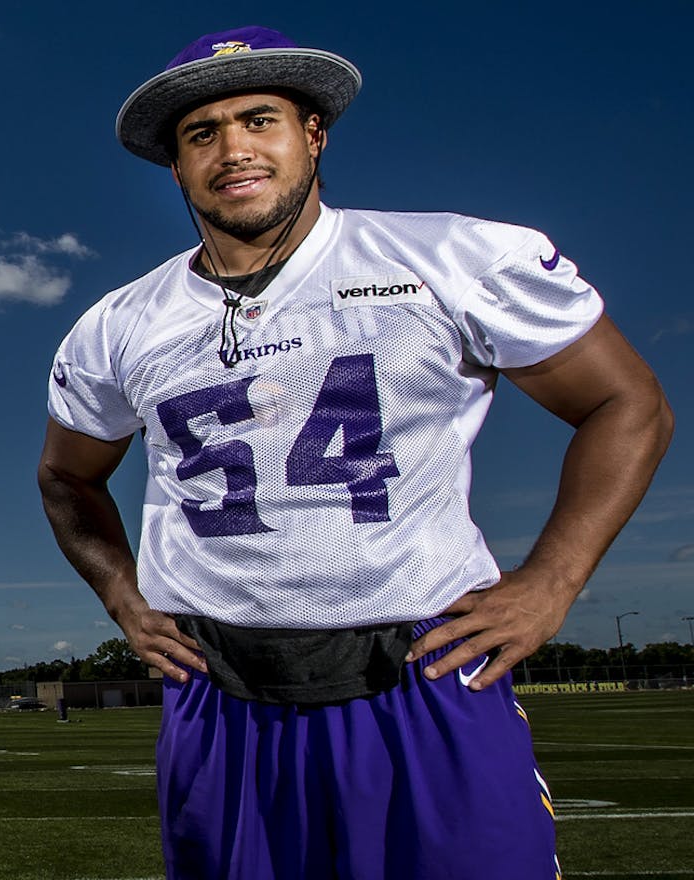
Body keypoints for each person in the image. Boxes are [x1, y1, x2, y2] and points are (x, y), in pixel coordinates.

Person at [38, 26, 673, 879]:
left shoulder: (450, 258)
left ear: (313, 133)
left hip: (424, 670)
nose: (233, 150)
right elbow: (67, 476)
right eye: (202, 134)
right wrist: (123, 596)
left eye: (259, 119)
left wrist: (551, 581)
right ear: (177, 164)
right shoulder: (119, 325)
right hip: (219, 692)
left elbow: (626, 402)